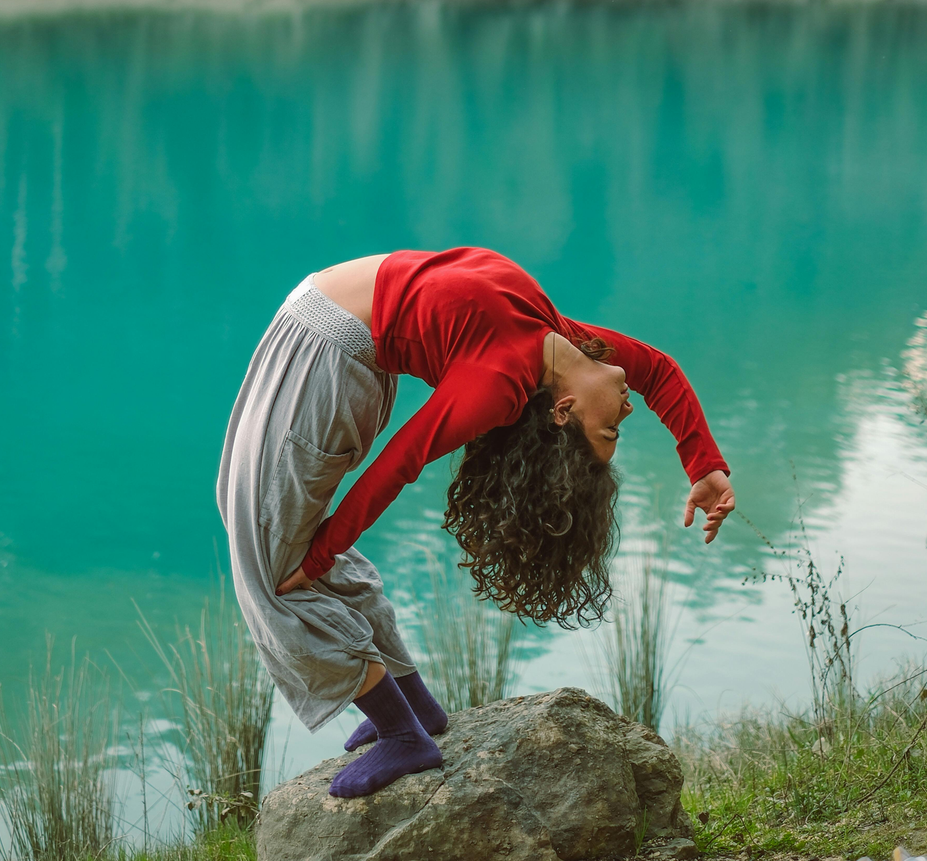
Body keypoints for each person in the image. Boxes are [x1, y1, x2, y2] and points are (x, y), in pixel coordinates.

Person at [216, 247, 735, 799]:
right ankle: (417, 706)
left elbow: (400, 464)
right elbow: (658, 370)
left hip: (327, 359)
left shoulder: (499, 381)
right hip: (312, 334)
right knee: (245, 512)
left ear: (563, 409)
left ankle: (402, 734)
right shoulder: (554, 333)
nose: (626, 415)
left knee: (271, 568)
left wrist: (319, 558)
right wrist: (704, 464)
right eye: (613, 434)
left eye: (610, 432)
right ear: (563, 407)